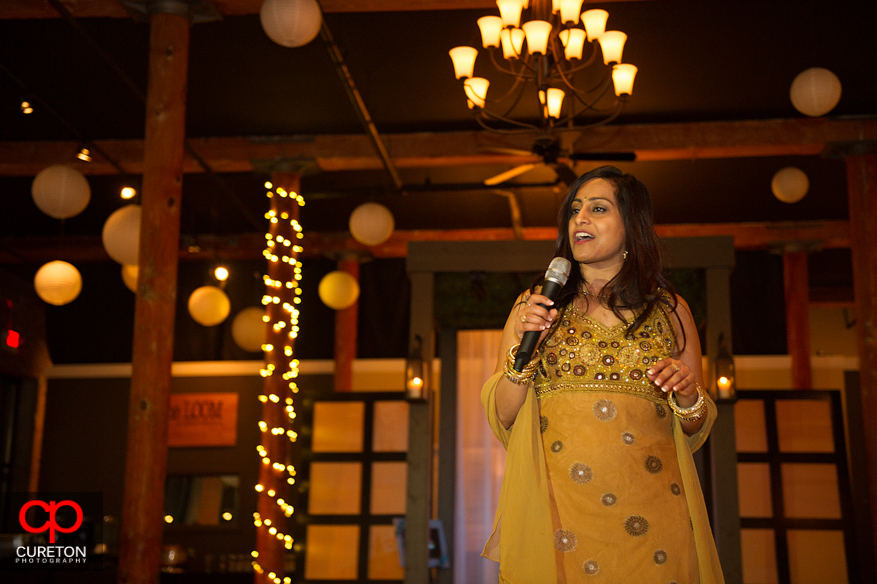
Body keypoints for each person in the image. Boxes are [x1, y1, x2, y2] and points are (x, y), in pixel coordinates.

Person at [480, 166, 724, 583]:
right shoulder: (536, 306)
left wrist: (688, 396)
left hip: (652, 521)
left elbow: (694, 425)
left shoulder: (671, 311)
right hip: (558, 516)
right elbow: (503, 414)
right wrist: (526, 356)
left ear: (631, 225)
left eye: (597, 208)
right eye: (575, 210)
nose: (581, 219)